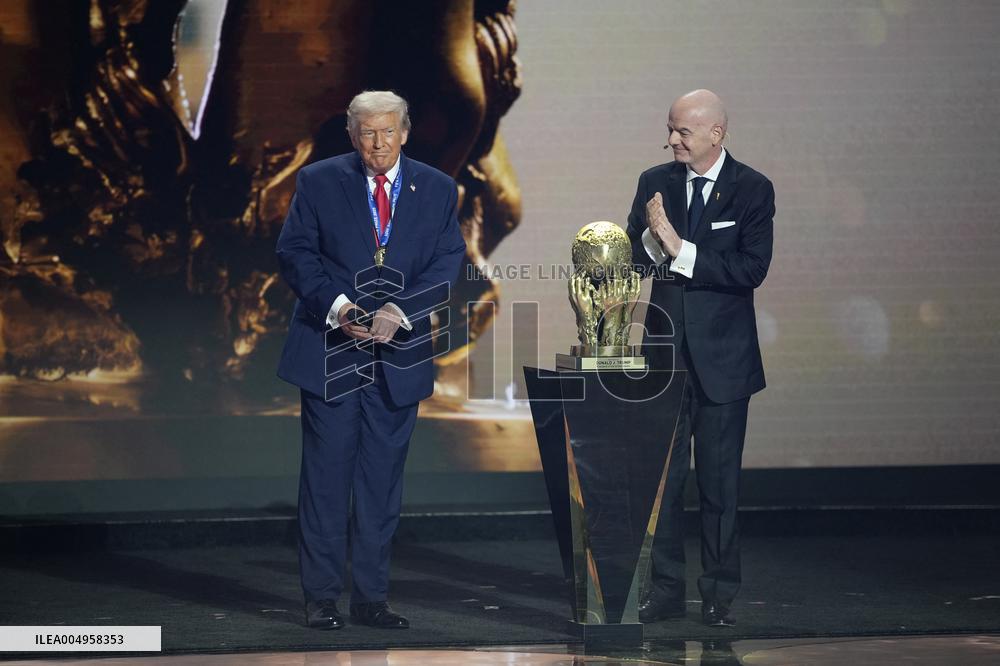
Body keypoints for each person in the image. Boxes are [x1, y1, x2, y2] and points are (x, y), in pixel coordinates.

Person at [275, 90, 466, 630]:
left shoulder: (435, 187)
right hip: (331, 352)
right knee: (326, 481)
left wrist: (399, 310)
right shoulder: (318, 181)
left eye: (388, 132)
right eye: (367, 133)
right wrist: (339, 307)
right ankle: (322, 600)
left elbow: (448, 260)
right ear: (352, 136)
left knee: (381, 484)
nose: (378, 144)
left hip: (398, 358)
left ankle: (371, 599)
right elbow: (295, 252)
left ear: (405, 132)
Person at [625, 89, 775, 627]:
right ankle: (665, 592)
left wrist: (677, 244)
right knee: (663, 487)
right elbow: (632, 257)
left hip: (724, 364)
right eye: (670, 129)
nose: (671, 140)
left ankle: (717, 595)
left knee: (719, 486)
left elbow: (750, 269)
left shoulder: (752, 189)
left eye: (683, 131)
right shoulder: (655, 182)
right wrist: (649, 237)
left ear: (717, 133)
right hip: (665, 360)